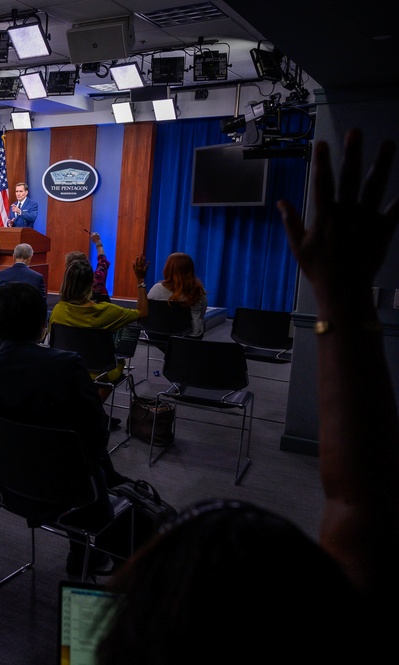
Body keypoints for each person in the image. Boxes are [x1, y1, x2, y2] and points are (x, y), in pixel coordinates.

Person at [97, 130, 399, 663]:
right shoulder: (197, 294)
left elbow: (158, 323)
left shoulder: (156, 293)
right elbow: (363, 505)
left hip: (167, 363)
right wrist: (346, 292)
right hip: (198, 363)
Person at [0, 282, 124, 574]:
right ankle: (86, 549)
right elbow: (98, 435)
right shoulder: (68, 366)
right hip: (76, 494)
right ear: (42, 326)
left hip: (8, 488)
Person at [49, 255, 148, 399]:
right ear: (91, 283)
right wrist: (140, 281)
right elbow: (143, 312)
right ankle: (92, 410)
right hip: (99, 371)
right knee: (119, 362)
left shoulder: (57, 311)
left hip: (65, 368)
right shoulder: (106, 311)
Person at [147, 252, 208, 337]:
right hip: (190, 336)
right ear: (190, 270)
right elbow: (202, 315)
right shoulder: (197, 291)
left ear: (168, 269)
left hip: (156, 334)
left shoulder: (156, 289)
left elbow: (148, 311)